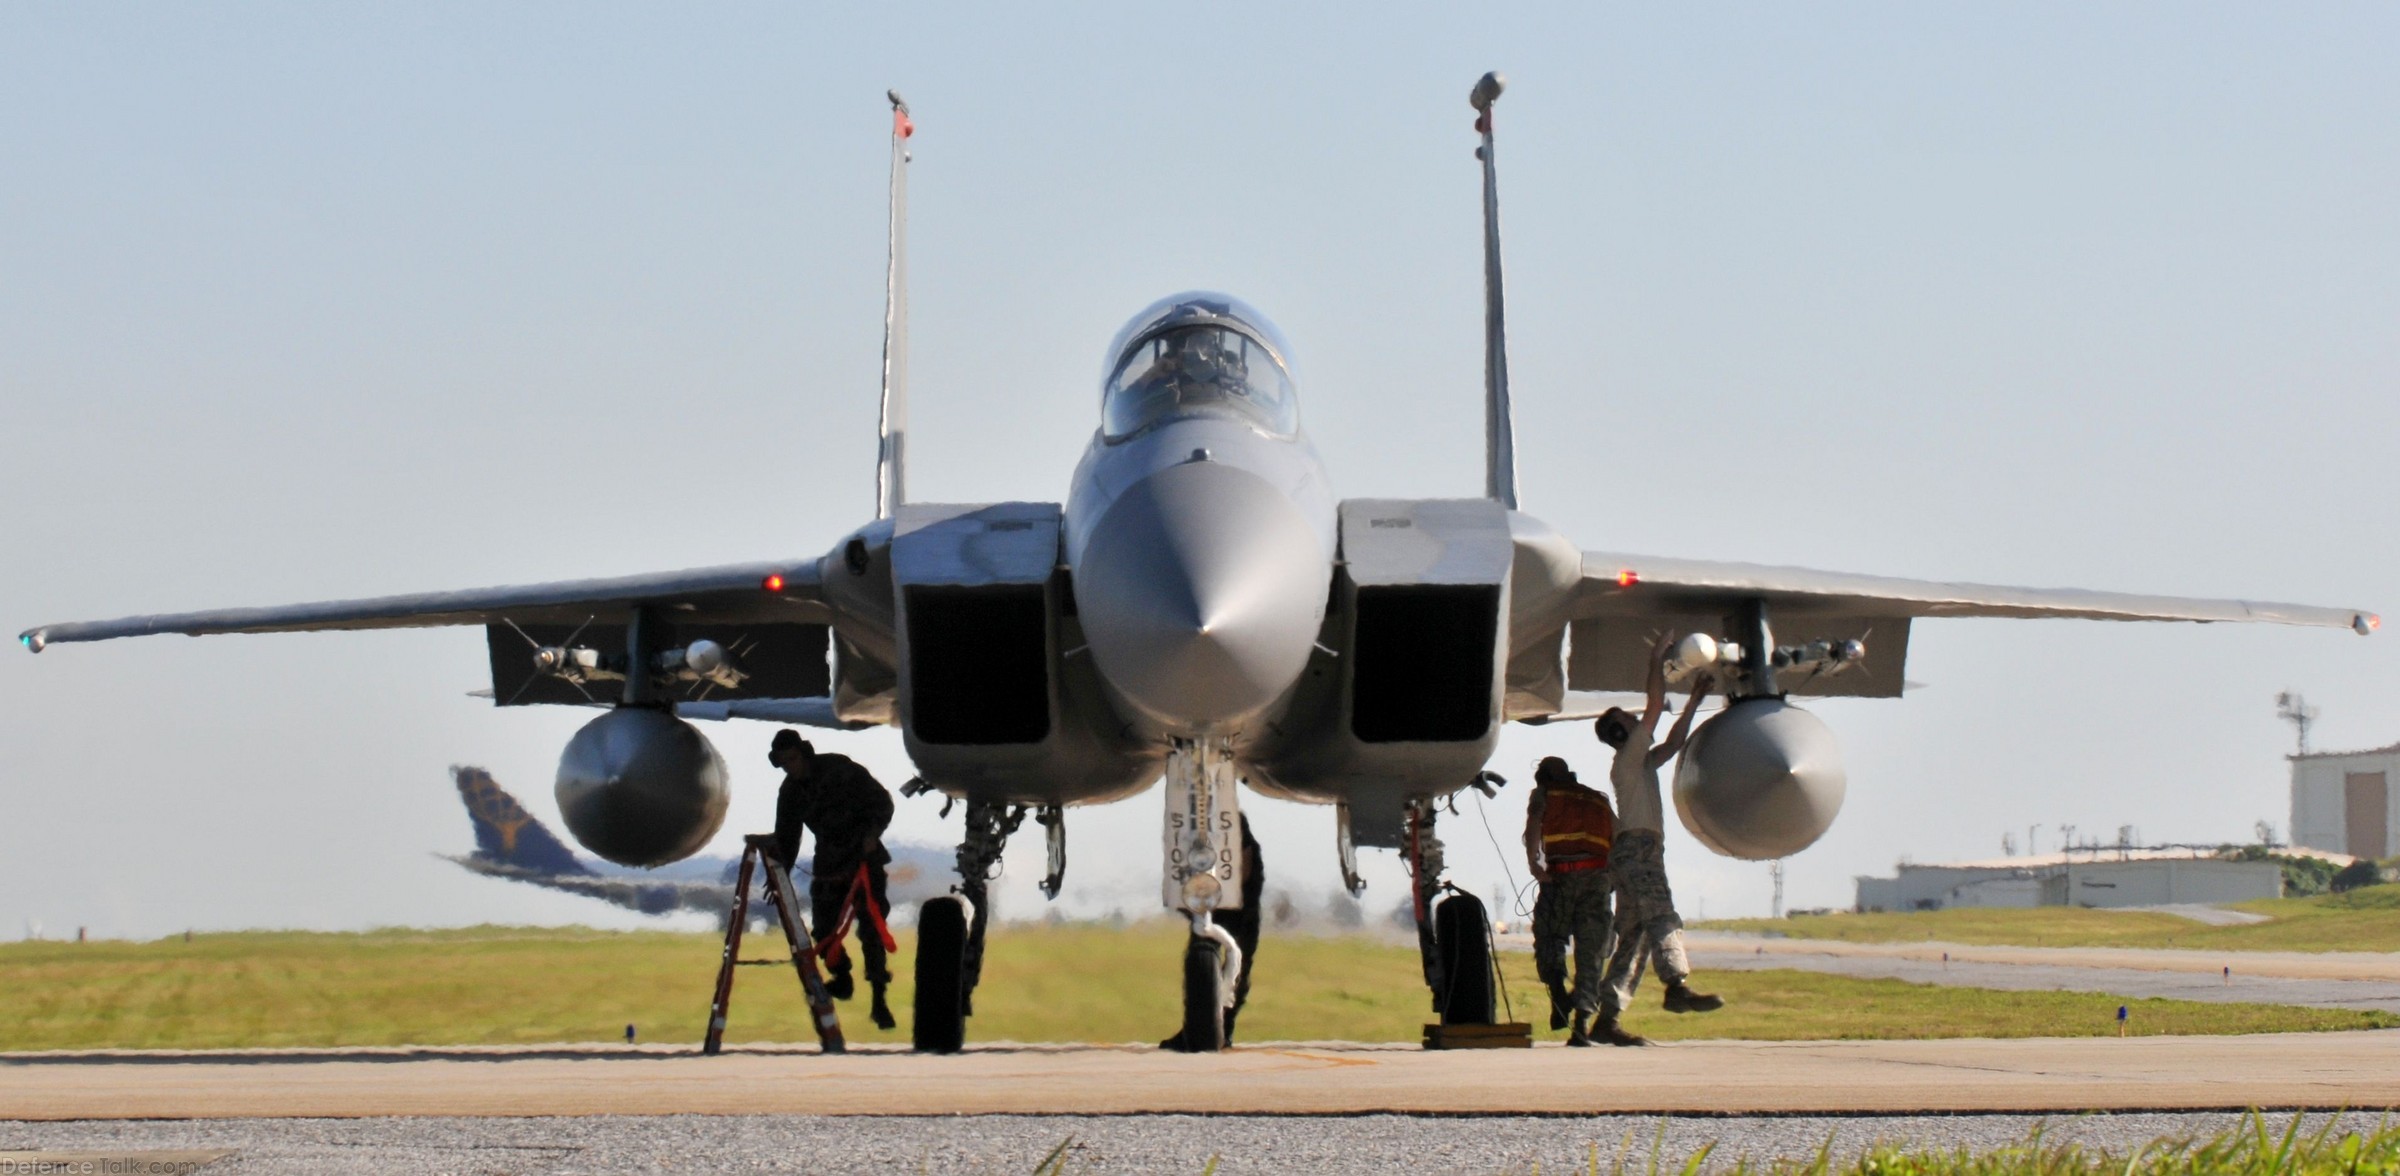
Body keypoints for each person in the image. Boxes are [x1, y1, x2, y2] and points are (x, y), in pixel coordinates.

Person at [1592, 635, 1725, 1043]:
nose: (1639, 721)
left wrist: (1692, 704)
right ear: (1620, 732)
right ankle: (1676, 986)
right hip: (1638, 851)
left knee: (1633, 938)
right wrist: (1655, 659)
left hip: (1637, 853)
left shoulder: (1639, 763)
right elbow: (1653, 704)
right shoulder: (1629, 757)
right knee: (1662, 916)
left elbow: (1672, 743)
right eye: (1630, 721)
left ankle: (1607, 1021)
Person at [769, 728, 898, 1031]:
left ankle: (879, 1000)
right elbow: (786, 838)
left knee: (872, 929)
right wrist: (779, 875)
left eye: (793, 759)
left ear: (804, 754)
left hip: (864, 859)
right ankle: (842, 977)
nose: (791, 767)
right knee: (824, 929)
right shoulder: (790, 792)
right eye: (784, 763)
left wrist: (871, 834)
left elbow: (882, 801)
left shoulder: (840, 769)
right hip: (828, 861)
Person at [1523, 755, 1629, 1047]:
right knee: (1591, 951)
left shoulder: (1545, 794)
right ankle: (1581, 1023)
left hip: (1560, 877)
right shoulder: (1599, 800)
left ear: (1544, 777)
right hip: (1597, 881)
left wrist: (1533, 864)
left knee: (1548, 937)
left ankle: (1557, 990)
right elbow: (1620, 837)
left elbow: (1534, 823)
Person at [1161, 814, 1263, 1051]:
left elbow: (1245, 863)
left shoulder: (1231, 825)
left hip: (1238, 902)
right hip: (1215, 896)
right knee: (1213, 945)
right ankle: (1205, 1028)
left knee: (1239, 959)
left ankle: (1220, 1027)